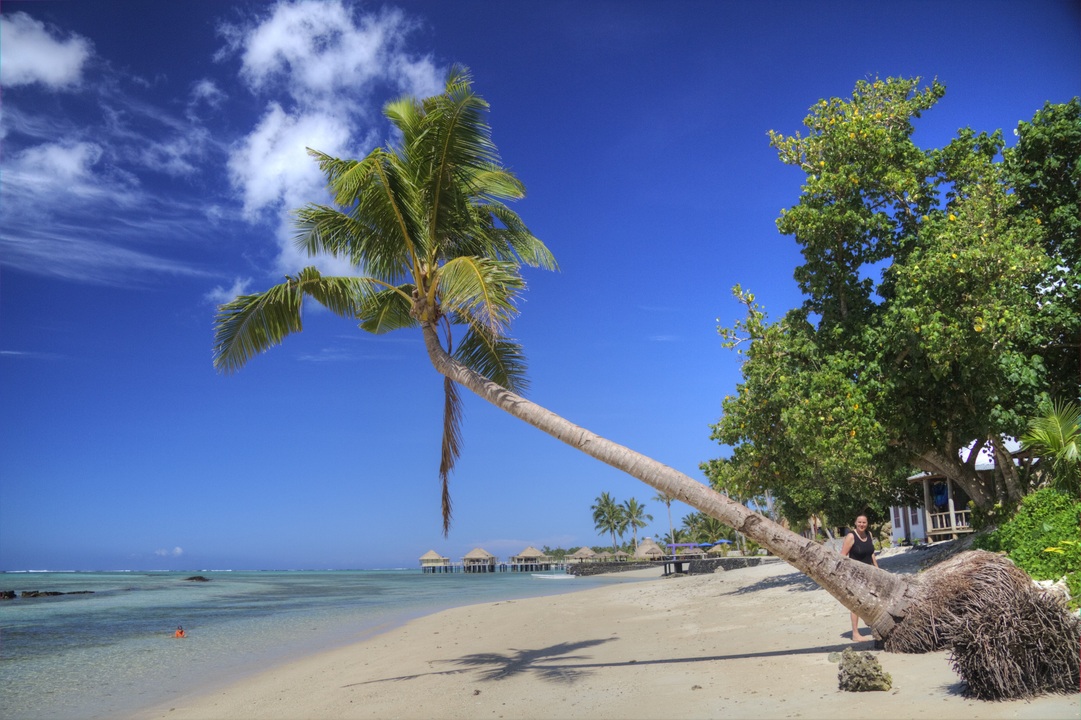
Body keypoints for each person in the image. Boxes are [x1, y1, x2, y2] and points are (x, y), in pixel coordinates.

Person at [840, 514, 879, 643]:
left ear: (867, 523)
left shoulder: (869, 535)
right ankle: (855, 634)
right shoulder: (851, 536)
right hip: (855, 576)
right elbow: (843, 556)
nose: (862, 524)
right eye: (859, 522)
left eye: (864, 522)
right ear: (855, 523)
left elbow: (871, 552)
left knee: (872, 601)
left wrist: (877, 568)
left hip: (870, 574)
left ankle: (875, 627)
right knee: (855, 604)